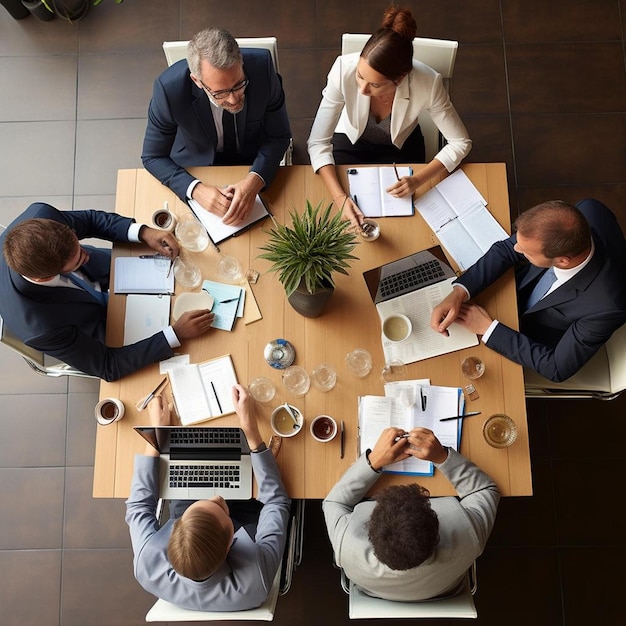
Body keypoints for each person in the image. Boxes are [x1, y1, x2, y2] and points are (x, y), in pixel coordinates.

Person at [0, 203, 214, 381]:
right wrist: (175, 335)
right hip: (91, 324)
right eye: (77, 259)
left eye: (78, 243)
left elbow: (91, 220)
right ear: (44, 278)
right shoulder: (41, 328)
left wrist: (143, 232)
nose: (85, 254)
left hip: (103, 273)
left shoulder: (43, 218)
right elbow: (108, 365)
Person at [125, 384, 291, 612]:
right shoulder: (257, 575)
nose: (216, 496)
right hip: (247, 520)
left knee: (185, 446)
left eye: (200, 507)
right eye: (220, 509)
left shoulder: (147, 564)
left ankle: (202, 512)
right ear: (229, 545)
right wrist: (250, 430)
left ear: (176, 530)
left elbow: (138, 505)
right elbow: (276, 501)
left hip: (202, 522)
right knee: (264, 477)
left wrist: (156, 433)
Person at [307, 6, 471, 226]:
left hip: (402, 146)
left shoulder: (428, 83)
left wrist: (417, 180)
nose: (363, 89)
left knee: (404, 224)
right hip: (352, 141)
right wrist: (340, 198)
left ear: (400, 79)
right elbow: (317, 143)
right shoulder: (341, 69)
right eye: (359, 76)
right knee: (341, 220)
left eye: (375, 84)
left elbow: (461, 143)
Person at [430, 199, 626, 382]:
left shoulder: (607, 307)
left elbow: (556, 368)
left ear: (563, 261)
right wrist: (459, 292)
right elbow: (507, 250)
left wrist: (487, 329)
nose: (515, 248)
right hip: (516, 294)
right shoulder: (586, 210)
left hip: (532, 337)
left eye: (526, 252)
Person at [323, 426, 499, 601]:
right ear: (435, 524)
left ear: (369, 530)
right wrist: (441, 457)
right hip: (442, 586)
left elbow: (334, 502)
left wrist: (374, 461)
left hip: (380, 592)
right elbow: (484, 490)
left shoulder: (345, 544)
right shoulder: (468, 535)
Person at [142, 27, 291, 226]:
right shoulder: (168, 90)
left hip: (253, 157)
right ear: (197, 81)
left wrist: (256, 179)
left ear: (242, 63)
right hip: (196, 163)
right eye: (220, 93)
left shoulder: (262, 69)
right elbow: (152, 157)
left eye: (239, 84)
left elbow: (279, 136)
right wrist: (195, 189)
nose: (234, 99)